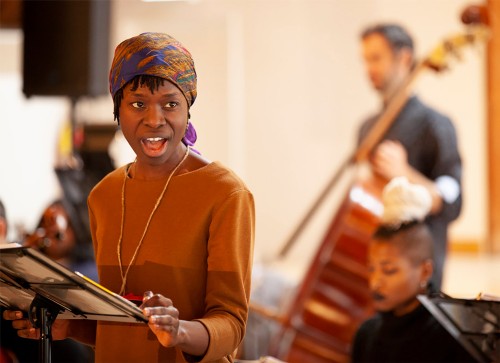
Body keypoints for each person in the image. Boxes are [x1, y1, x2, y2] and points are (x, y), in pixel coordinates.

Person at [3, 32, 255, 363]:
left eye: (171, 104)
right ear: (117, 110)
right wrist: (66, 326)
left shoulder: (225, 193)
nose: (154, 120)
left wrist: (179, 331)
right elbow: (119, 323)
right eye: (138, 104)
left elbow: (232, 327)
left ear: (188, 109)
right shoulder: (104, 195)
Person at [357, 23, 462, 290]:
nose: (369, 68)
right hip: (373, 263)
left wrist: (404, 173)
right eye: (366, 60)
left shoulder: (435, 124)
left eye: (376, 58)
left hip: (418, 269)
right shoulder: (367, 128)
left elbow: (452, 202)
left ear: (404, 58)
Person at [350, 177, 475, 362]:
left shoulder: (450, 336)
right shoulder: (366, 335)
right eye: (371, 269)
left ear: (425, 271)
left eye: (389, 270)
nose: (375, 282)